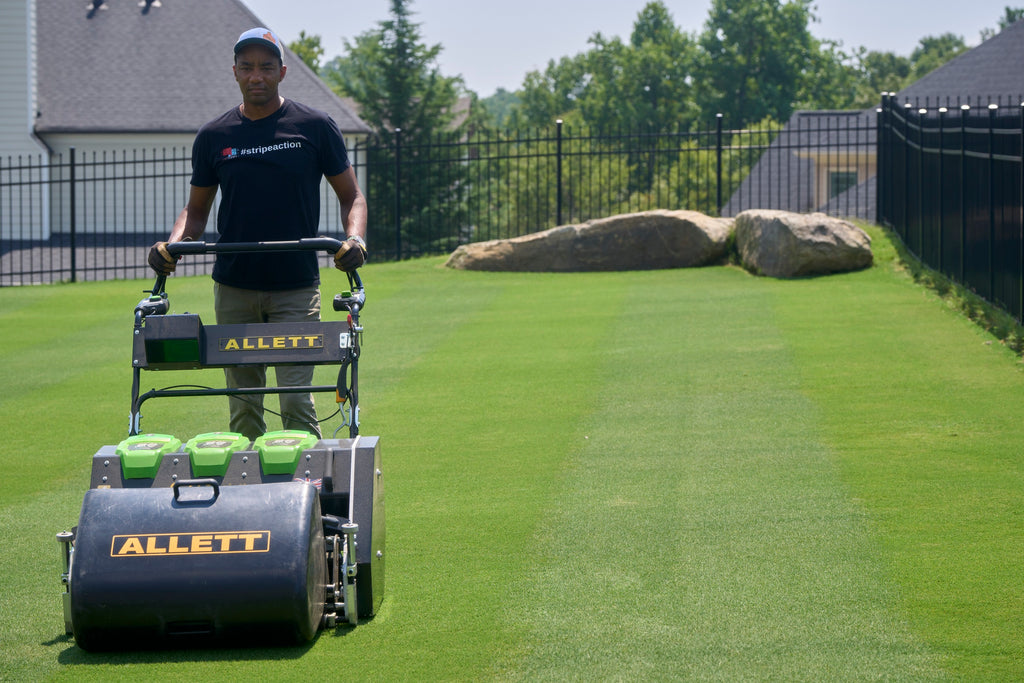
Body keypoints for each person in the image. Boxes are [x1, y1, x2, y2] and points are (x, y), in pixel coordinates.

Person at [147, 27, 367, 441]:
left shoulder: (315, 127)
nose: (256, 76)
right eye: (247, 67)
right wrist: (173, 244)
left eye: (266, 67)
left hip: (296, 288)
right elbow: (196, 212)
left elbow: (352, 196)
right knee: (244, 403)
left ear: (282, 72)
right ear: (234, 72)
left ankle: (309, 496)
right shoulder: (215, 136)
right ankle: (249, 499)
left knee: (296, 401)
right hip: (235, 287)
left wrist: (355, 240)